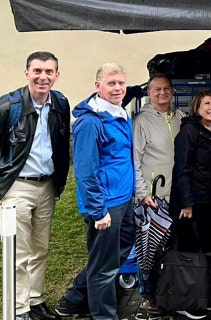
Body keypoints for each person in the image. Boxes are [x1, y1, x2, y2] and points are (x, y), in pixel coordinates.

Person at [55, 63, 136, 320]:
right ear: (98, 86)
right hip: (106, 204)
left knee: (111, 257)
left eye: (121, 83)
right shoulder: (90, 122)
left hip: (124, 198)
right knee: (104, 269)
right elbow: (85, 170)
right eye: (111, 83)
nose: (117, 88)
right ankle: (102, 315)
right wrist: (98, 210)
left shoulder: (119, 113)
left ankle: (76, 298)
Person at [0, 51, 70, 320]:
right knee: (19, 250)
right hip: (16, 185)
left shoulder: (60, 103)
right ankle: (19, 310)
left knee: (40, 249)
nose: (43, 77)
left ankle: (35, 299)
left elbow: (62, 145)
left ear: (56, 75)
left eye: (49, 71)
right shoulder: (8, 106)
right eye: (38, 71)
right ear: (27, 72)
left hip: (47, 186)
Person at [170, 91, 211, 319]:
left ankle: (206, 295)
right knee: (192, 252)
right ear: (197, 107)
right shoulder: (189, 132)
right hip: (194, 200)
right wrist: (186, 203)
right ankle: (188, 301)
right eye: (206, 104)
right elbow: (182, 169)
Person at [132, 74, 186, 315]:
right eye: (157, 89)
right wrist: (143, 192)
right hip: (153, 196)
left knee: (171, 246)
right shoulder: (142, 122)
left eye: (166, 89)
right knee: (149, 248)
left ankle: (169, 290)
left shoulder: (180, 118)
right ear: (149, 93)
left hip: (176, 194)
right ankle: (149, 295)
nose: (162, 93)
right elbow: (135, 159)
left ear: (172, 92)